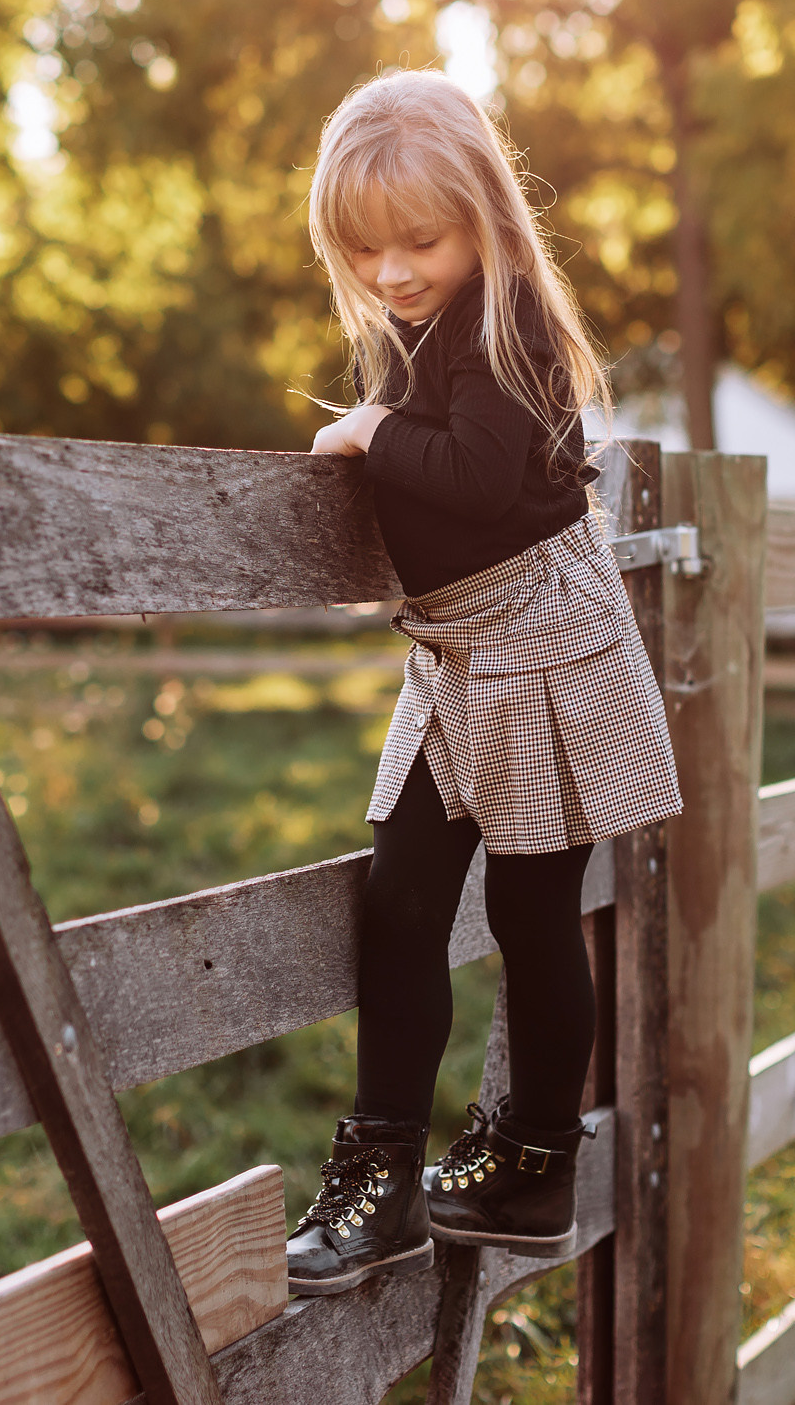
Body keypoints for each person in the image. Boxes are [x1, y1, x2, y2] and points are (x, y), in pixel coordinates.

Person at [285, 70, 682, 1297]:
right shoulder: (421, 327)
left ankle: (534, 1158)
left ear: (485, 222)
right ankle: (384, 1171)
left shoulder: (500, 325)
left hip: (539, 645)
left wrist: (363, 433)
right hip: (455, 649)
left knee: (529, 913)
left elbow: (467, 473)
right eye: (365, 247)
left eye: (421, 240)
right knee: (400, 905)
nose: (394, 269)